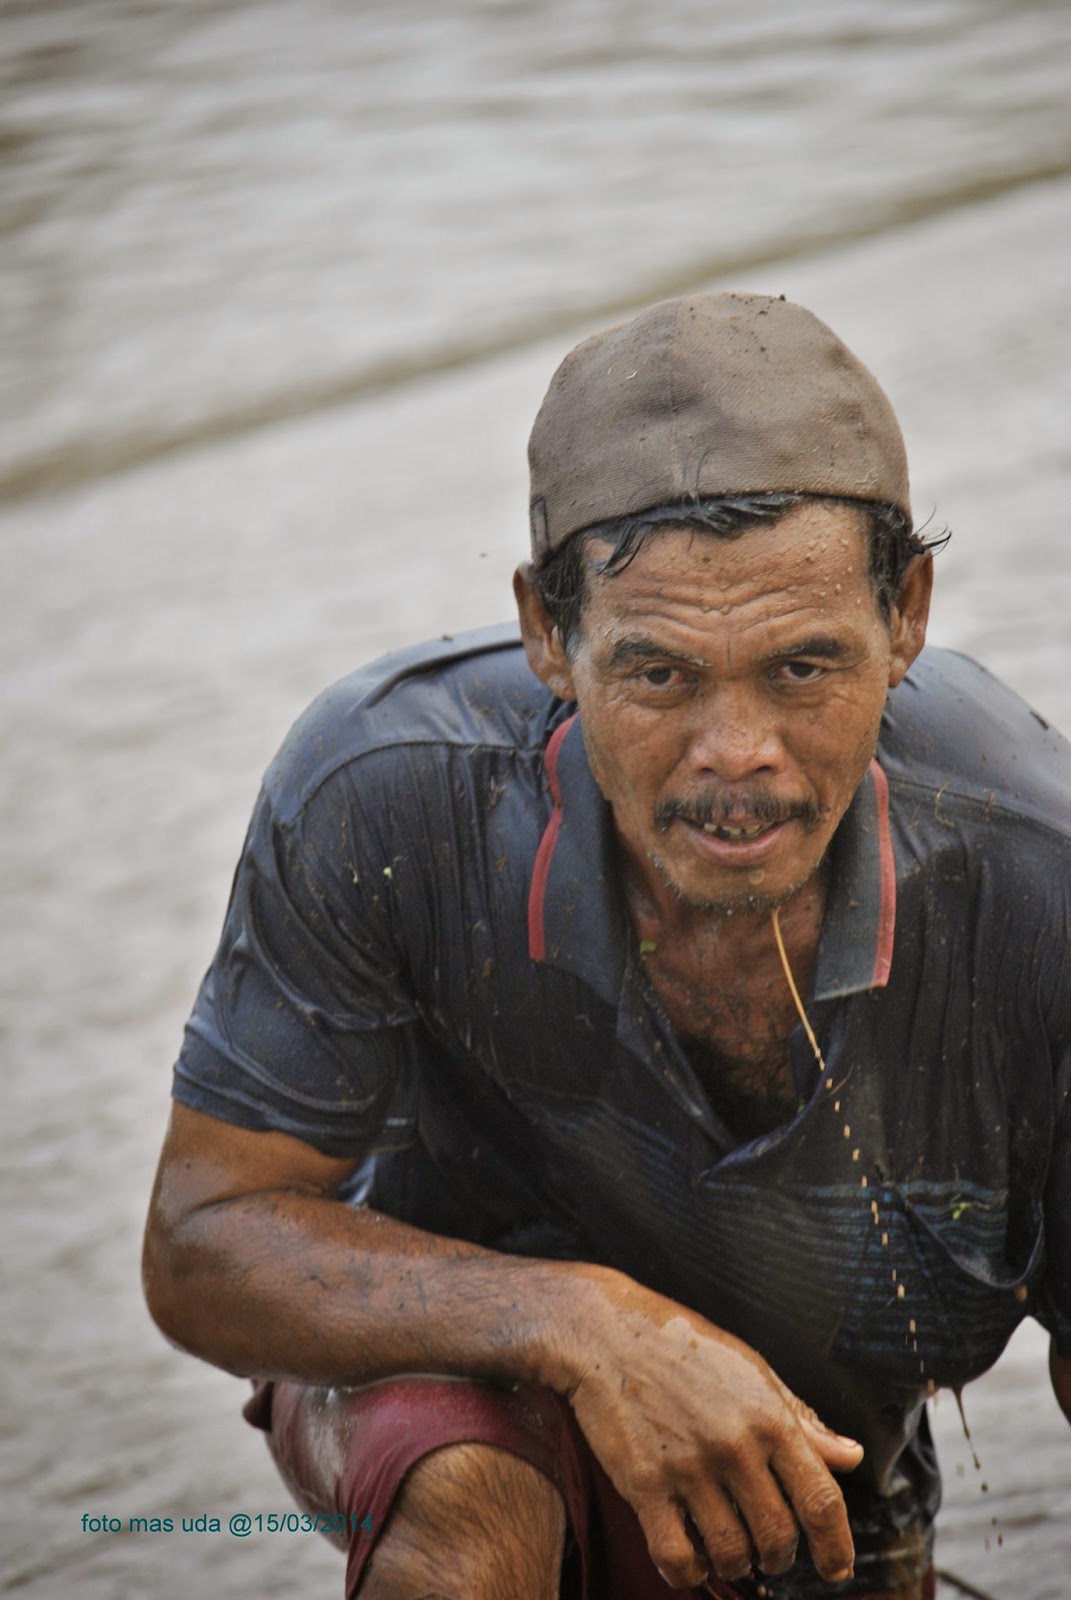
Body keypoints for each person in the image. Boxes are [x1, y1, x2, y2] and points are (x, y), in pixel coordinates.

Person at [143, 292, 1071, 1600]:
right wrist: (581, 1326)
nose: (736, 752)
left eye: (803, 669)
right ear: (547, 637)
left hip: (826, 1472)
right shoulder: (388, 798)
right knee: (475, 1510)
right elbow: (201, 1238)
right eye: (661, 678)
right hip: (459, 1386)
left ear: (907, 612)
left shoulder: (1036, 883)